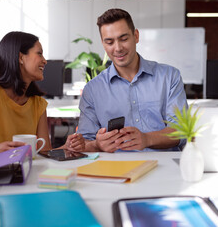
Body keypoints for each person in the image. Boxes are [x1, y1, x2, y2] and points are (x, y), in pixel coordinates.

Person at [0, 31, 85, 158]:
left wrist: (66, 147)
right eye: (39, 54)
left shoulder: (38, 104)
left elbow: (43, 153)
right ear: (21, 58)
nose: (45, 61)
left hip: (23, 175)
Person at [76, 8, 188, 153]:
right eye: (109, 42)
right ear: (103, 43)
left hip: (165, 168)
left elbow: (181, 130)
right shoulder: (92, 90)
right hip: (117, 170)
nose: (118, 48)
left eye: (124, 39)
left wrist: (147, 139)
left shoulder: (169, 76)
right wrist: (97, 145)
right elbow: (86, 142)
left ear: (136, 36)